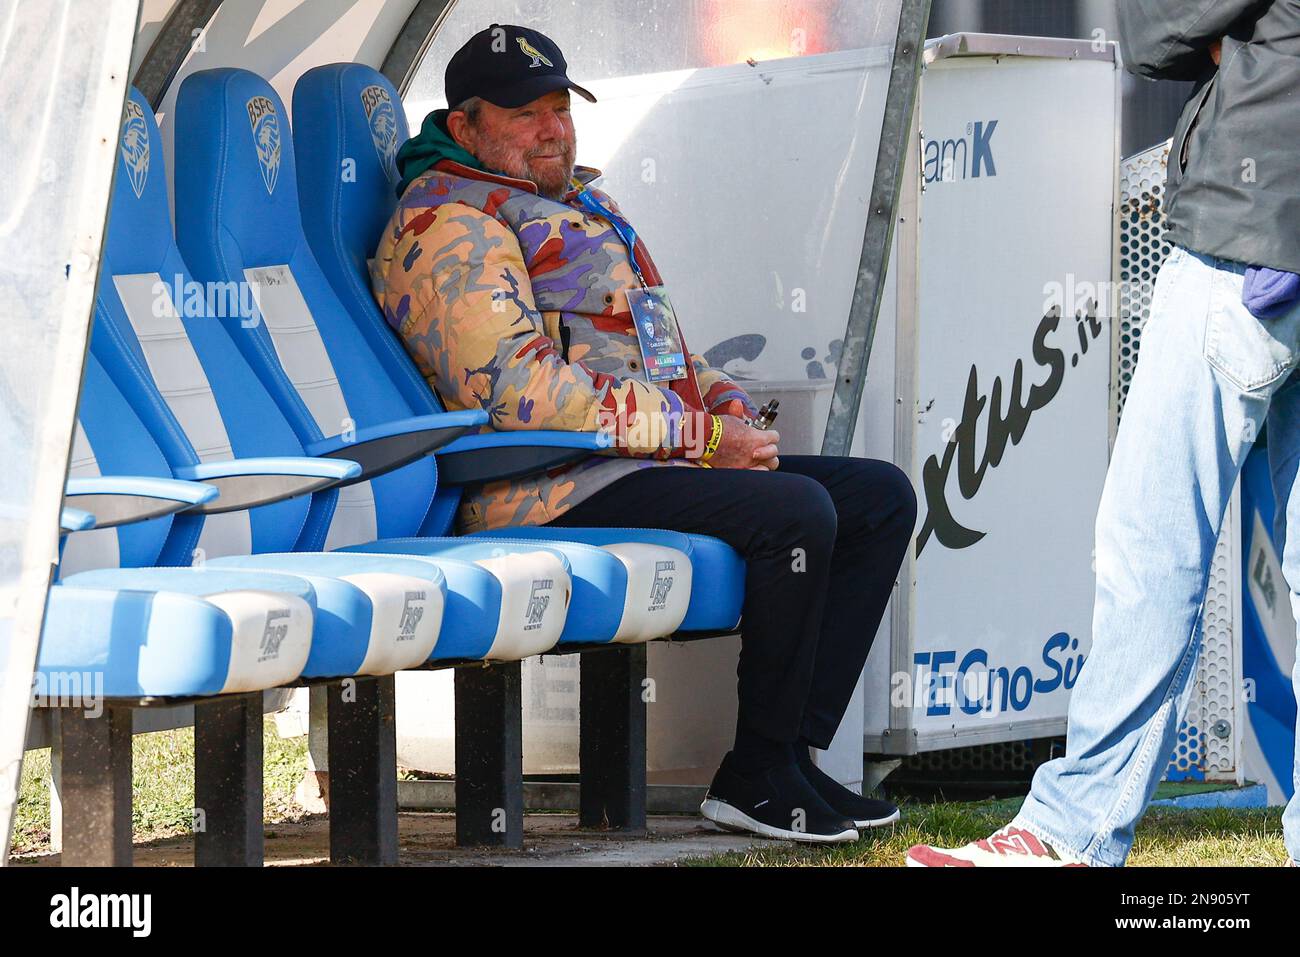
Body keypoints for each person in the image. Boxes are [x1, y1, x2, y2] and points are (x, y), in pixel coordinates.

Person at [371, 24, 917, 843]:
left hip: (625, 460)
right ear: (465, 126)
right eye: (526, 114)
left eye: (560, 106)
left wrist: (722, 403)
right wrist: (697, 439)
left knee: (878, 496)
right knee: (797, 512)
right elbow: (526, 397)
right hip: (539, 482)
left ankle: (790, 758)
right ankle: (757, 774)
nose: (553, 127)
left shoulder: (587, 205)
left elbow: (663, 350)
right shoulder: (449, 224)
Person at [909, 0, 1300, 867]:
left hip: (1255, 223)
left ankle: (1071, 830)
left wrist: (1234, 42)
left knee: (1150, 546)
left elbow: (1153, 31)